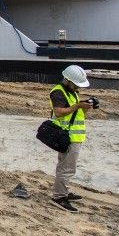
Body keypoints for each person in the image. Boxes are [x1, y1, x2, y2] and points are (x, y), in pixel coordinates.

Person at [49, 65, 94, 213]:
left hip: (74, 136)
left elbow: (74, 114)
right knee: (66, 168)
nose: (77, 87)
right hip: (66, 136)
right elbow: (59, 112)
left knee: (67, 167)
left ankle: (63, 191)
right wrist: (78, 106)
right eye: (76, 84)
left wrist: (83, 107)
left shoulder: (71, 92)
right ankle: (59, 197)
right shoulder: (58, 93)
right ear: (67, 80)